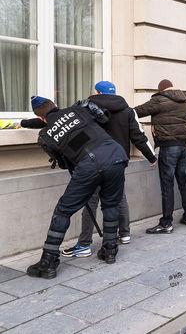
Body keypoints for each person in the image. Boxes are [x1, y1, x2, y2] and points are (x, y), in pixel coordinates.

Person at [25, 96, 128, 279]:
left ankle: (48, 262)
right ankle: (110, 249)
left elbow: (64, 164)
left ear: (40, 118)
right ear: (56, 105)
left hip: (90, 164)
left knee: (63, 211)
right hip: (116, 153)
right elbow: (103, 119)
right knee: (111, 204)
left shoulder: (45, 136)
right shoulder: (78, 110)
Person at [61, 81, 157, 259]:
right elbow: (139, 135)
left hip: (94, 162)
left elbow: (78, 134)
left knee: (90, 201)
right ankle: (125, 233)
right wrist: (151, 157)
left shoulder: (88, 109)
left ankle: (84, 243)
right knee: (118, 198)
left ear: (97, 92)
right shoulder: (128, 110)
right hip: (118, 161)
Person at [135, 79, 186, 234]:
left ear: (161, 89)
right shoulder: (183, 98)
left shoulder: (159, 100)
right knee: (183, 180)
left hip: (168, 147)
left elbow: (137, 112)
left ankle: (166, 223)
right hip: (184, 146)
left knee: (167, 185)